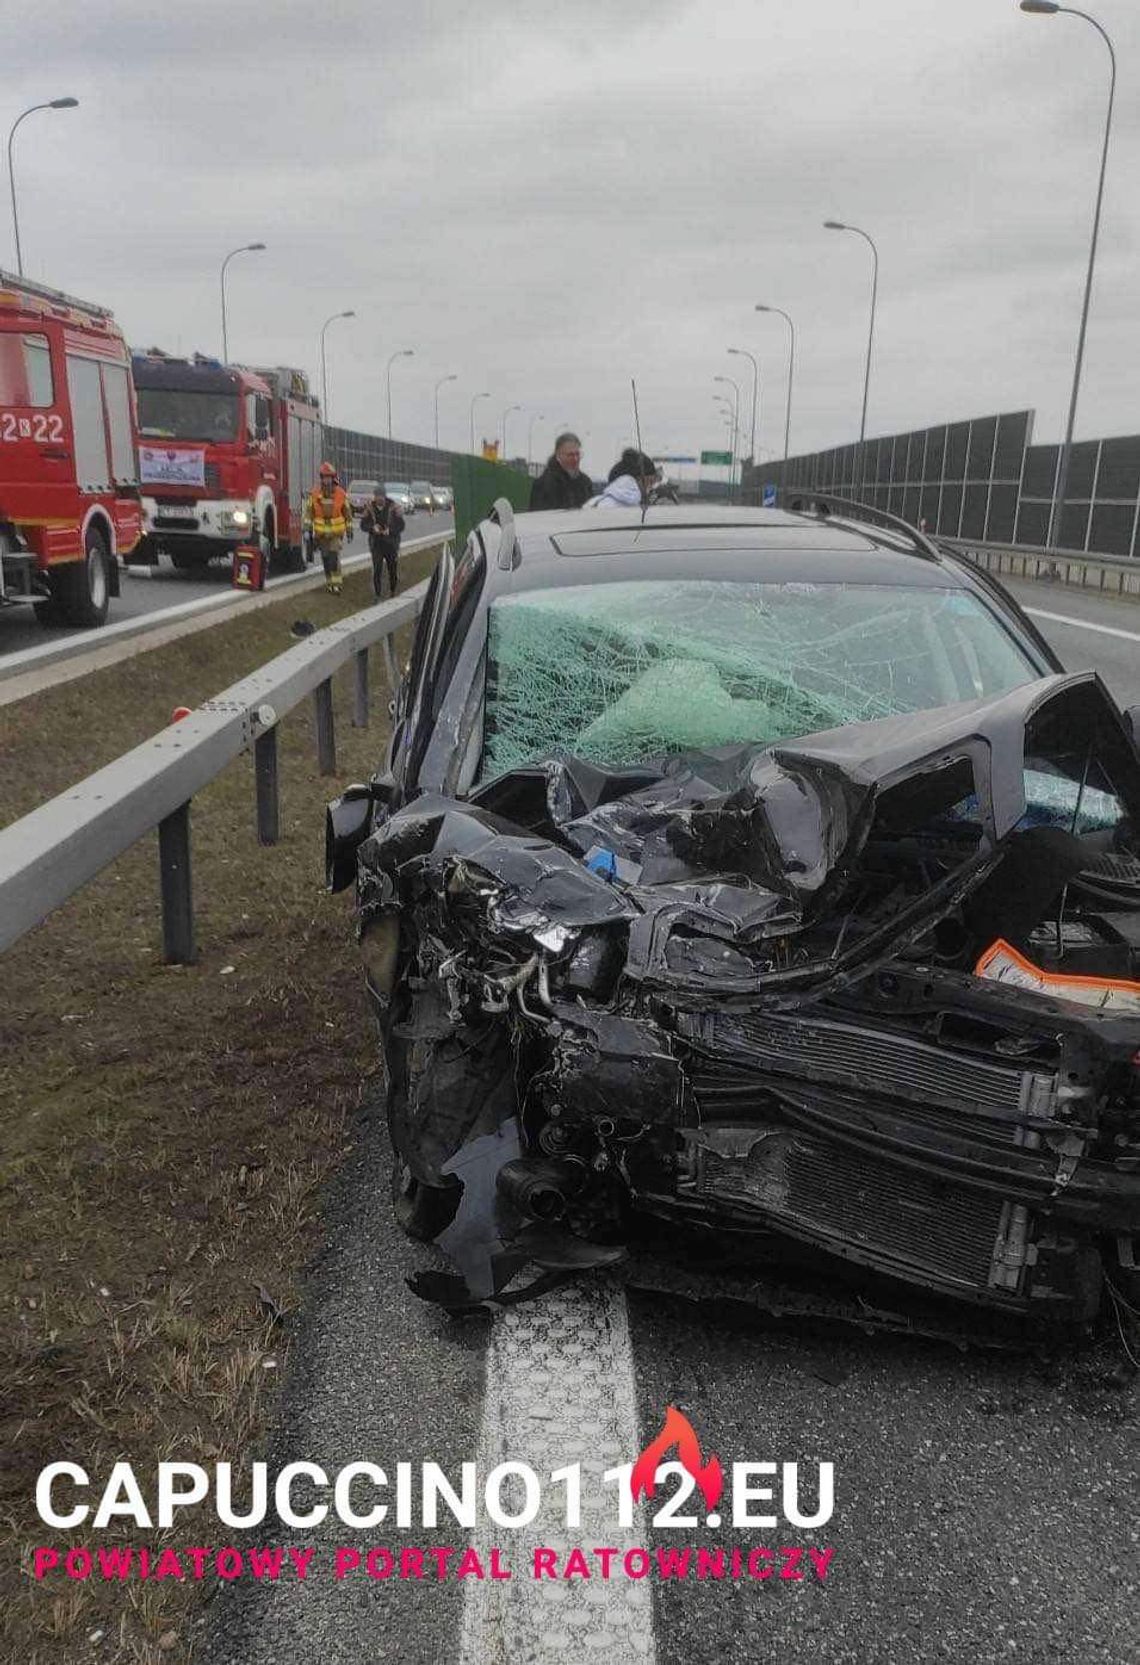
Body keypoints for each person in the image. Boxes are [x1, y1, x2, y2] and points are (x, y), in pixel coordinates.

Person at [303, 462, 353, 594]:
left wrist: (349, 531)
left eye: (329, 477)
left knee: (333, 558)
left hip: (336, 534)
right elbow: (309, 513)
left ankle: (337, 585)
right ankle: (329, 583)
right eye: (324, 477)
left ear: (333, 478)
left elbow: (347, 513)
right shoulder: (314, 494)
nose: (327, 480)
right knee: (325, 559)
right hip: (321, 535)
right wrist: (307, 530)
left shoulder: (341, 494)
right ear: (321, 478)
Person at [359, 485, 405, 598]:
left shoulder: (394, 507)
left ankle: (393, 591)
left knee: (392, 569)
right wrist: (372, 528)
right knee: (377, 568)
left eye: (382, 496)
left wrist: (390, 530)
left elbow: (401, 525)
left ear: (385, 496)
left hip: (391, 544)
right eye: (377, 496)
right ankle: (377, 595)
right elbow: (363, 525)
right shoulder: (370, 508)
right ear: (374, 497)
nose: (380, 499)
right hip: (376, 544)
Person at [528, 432, 593, 510]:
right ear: (558, 455)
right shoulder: (544, 484)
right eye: (570, 455)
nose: (575, 459)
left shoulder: (585, 483)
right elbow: (538, 517)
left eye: (577, 454)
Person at [585, 449, 659, 508]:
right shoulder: (639, 511)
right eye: (650, 481)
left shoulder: (593, 503)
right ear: (637, 479)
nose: (650, 487)